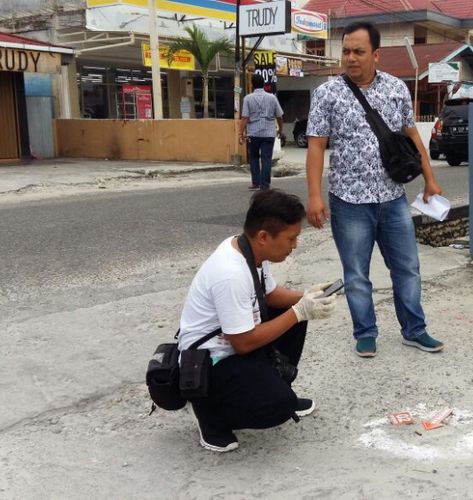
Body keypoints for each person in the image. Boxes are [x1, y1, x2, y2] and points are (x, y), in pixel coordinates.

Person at [305, 21, 444, 357]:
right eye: (347, 51)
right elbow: (315, 146)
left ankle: (415, 329)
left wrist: (430, 178)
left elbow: (412, 137)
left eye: (359, 52)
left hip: (393, 197)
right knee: (356, 275)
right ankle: (365, 333)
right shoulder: (327, 93)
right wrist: (314, 195)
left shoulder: (396, 89)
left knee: (407, 268)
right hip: (348, 201)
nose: (351, 58)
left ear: (376, 55)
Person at [177, 189, 337, 452]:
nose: (294, 246)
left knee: (296, 314)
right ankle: (210, 416)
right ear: (263, 236)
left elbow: (270, 295)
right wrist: (299, 310)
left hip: (233, 345)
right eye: (291, 239)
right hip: (209, 362)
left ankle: (273, 385)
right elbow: (242, 342)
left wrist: (308, 297)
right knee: (279, 407)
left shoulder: (249, 249)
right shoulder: (230, 272)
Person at [239, 73, 284, 190]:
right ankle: (265, 185)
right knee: (266, 158)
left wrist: (240, 133)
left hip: (253, 133)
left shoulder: (247, 98)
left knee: (253, 158)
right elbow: (279, 116)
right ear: (263, 84)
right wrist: (280, 130)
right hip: (269, 133)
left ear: (252, 84)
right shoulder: (272, 98)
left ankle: (256, 183)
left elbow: (244, 118)